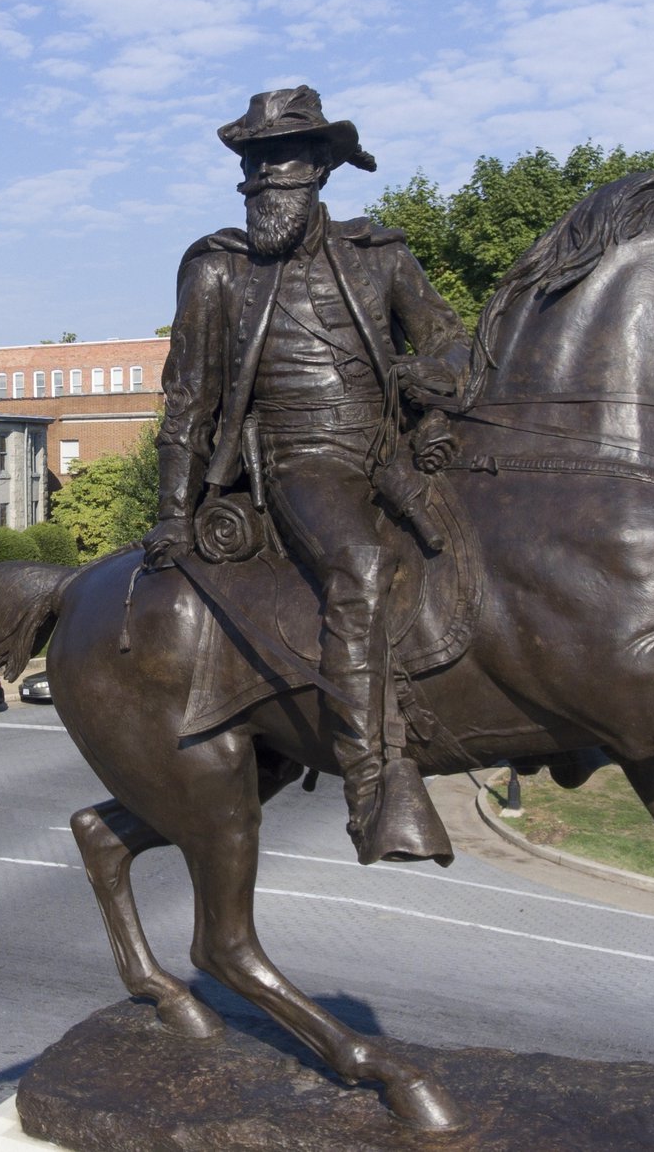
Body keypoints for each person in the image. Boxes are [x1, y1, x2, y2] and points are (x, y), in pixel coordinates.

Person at [146, 86, 469, 865]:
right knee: (359, 565)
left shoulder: (380, 256)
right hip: (298, 461)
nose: (262, 182)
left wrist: (433, 388)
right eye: (252, 165)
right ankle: (375, 790)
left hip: (388, 452)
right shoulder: (219, 270)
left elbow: (450, 338)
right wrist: (171, 511)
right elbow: (187, 397)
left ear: (320, 168)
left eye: (279, 163)